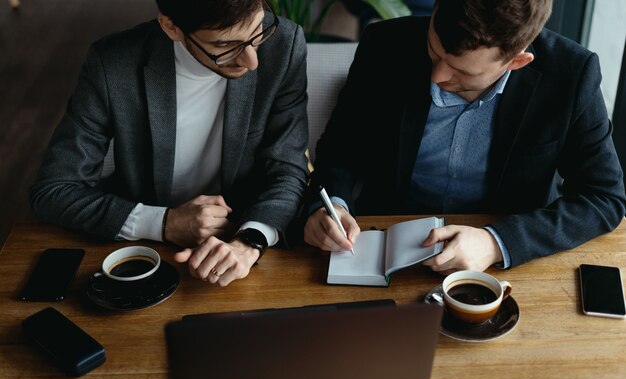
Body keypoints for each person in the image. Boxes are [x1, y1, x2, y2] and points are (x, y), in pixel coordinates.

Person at [304, 0, 626, 273]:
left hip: (506, 267)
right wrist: (333, 206)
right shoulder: (385, 45)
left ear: (516, 61)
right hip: (385, 251)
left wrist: (495, 243)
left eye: (462, 71)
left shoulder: (571, 75)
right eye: (434, 52)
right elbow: (340, 152)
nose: (438, 76)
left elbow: (604, 197)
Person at [30, 0, 310, 286]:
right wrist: (164, 223)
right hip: (139, 254)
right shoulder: (112, 63)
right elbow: (54, 191)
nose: (253, 62)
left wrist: (249, 240)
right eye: (226, 46)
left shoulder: (284, 46)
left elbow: (287, 168)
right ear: (172, 27)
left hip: (244, 247)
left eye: (257, 32)